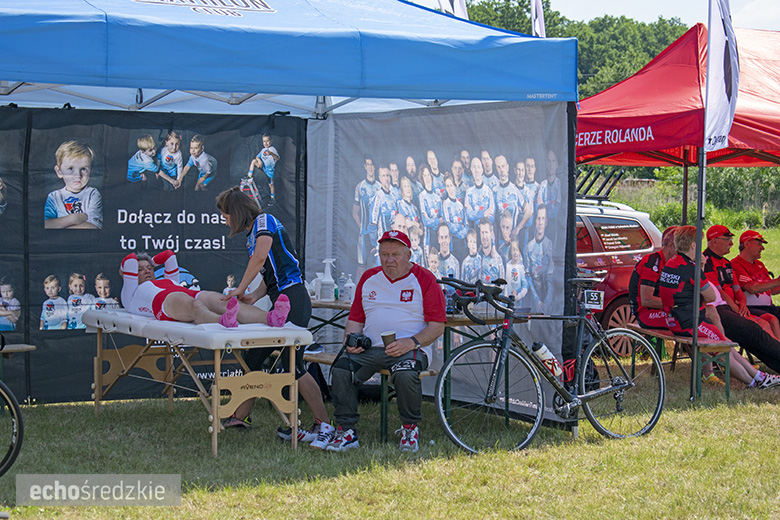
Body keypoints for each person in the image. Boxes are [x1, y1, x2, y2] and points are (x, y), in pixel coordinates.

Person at [216, 187, 334, 447]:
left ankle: (324, 425)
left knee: (294, 364)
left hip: (294, 299)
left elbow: (260, 259)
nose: (225, 220)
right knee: (253, 357)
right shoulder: (251, 233)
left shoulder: (264, 221)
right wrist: (253, 296)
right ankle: (241, 416)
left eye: (225, 215)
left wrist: (239, 289)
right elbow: (270, 274)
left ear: (236, 212)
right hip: (279, 298)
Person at [324, 230, 446, 452]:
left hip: (410, 348)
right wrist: (350, 343)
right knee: (342, 367)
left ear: (409, 255)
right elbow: (355, 319)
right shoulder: (369, 278)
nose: (389, 260)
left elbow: (438, 325)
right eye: (384, 254)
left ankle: (410, 428)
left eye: (395, 254)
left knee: (406, 373)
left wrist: (411, 342)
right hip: (371, 349)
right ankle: (346, 431)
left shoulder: (425, 278)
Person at [657, 226, 780, 389]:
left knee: (725, 341)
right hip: (689, 322)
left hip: (678, 318)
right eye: (699, 243)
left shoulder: (672, 263)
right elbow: (711, 297)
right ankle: (756, 381)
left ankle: (758, 377)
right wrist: (700, 269)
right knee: (725, 346)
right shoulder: (693, 268)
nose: (731, 243)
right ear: (693, 245)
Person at [701, 226, 780, 375]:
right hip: (720, 310)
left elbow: (737, 289)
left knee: (757, 330)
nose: (732, 243)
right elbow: (719, 292)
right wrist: (737, 310)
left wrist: (742, 303)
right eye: (728, 239)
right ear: (714, 241)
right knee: (755, 330)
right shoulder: (707, 261)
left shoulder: (726, 262)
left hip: (733, 308)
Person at [44, 140, 102, 229]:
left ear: (91, 171)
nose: (78, 176)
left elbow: (94, 226)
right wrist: (73, 219)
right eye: (70, 169)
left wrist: (60, 227)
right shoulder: (54, 197)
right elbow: (46, 225)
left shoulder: (93, 194)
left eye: (83, 169)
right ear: (59, 172)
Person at [628, 226, 677, 330]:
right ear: (672, 245)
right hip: (645, 314)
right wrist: (677, 304)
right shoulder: (652, 261)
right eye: (682, 247)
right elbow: (647, 300)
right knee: (686, 320)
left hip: (661, 311)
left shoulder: (674, 263)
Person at [731, 230, 780, 323]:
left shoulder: (759, 264)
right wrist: (778, 281)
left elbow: (772, 290)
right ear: (747, 244)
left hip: (769, 307)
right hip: (751, 308)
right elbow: (751, 288)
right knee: (772, 320)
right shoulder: (736, 264)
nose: (762, 248)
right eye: (759, 244)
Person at [524, 204, 553, 312]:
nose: (540, 222)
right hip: (533, 298)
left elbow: (551, 277)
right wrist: (537, 301)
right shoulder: (529, 246)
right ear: (535, 221)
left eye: (543, 219)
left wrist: (546, 302)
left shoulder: (549, 245)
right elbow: (528, 275)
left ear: (546, 222)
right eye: (539, 218)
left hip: (547, 298)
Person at [353, 156, 378, 269]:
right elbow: (354, 212)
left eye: (371, 164)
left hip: (377, 235)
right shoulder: (360, 186)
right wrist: (361, 226)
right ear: (365, 167)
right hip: (364, 235)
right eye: (367, 164)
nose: (370, 167)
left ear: (374, 166)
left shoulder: (380, 186)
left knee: (376, 265)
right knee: (361, 266)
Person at [464, 156, 494, 228]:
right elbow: (468, 214)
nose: (476, 170)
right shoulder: (469, 192)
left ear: (482, 170)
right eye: (474, 167)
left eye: (478, 167)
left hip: (486, 232)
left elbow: (492, 216)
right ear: (471, 169)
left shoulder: (488, 191)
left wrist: (474, 214)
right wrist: (483, 213)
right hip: (473, 232)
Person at [248, 134, 279, 200]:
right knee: (254, 161)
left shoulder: (272, 149)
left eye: (267, 141)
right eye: (264, 141)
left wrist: (271, 153)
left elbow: (277, 158)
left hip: (270, 172)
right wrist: (259, 160)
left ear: (271, 141)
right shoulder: (263, 150)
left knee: (270, 185)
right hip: (263, 168)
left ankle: (272, 198)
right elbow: (257, 156)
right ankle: (249, 176)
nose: (266, 143)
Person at [478, 217, 504, 284]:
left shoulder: (498, 259)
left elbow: (502, 285)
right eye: (482, 232)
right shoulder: (477, 259)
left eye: (486, 232)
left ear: (491, 234)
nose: (484, 236)